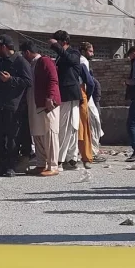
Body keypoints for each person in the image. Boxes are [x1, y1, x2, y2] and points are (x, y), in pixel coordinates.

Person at [0, 35, 33, 177]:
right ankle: (1, 164)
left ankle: (10, 166)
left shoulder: (20, 61)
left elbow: (28, 81)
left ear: (4, 46)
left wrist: (11, 80)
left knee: (12, 138)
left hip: (13, 106)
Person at [24, 41, 61, 177]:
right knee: (38, 134)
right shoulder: (32, 65)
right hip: (36, 103)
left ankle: (53, 165)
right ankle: (41, 164)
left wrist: (50, 97)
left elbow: (53, 79)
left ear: (27, 52)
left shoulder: (45, 61)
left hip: (47, 104)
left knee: (50, 133)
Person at [49, 30, 83, 170]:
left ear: (63, 42)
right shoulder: (60, 56)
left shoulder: (74, 53)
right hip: (64, 94)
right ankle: (70, 158)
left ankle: (61, 159)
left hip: (70, 94)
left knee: (67, 127)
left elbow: (71, 59)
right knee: (68, 127)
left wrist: (56, 46)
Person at [78, 42, 105, 163]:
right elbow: (89, 82)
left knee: (93, 124)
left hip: (87, 97)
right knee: (92, 124)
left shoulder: (83, 61)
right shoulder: (83, 61)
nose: (92, 54)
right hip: (85, 96)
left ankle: (91, 151)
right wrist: (87, 97)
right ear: (83, 51)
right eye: (90, 51)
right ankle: (91, 152)